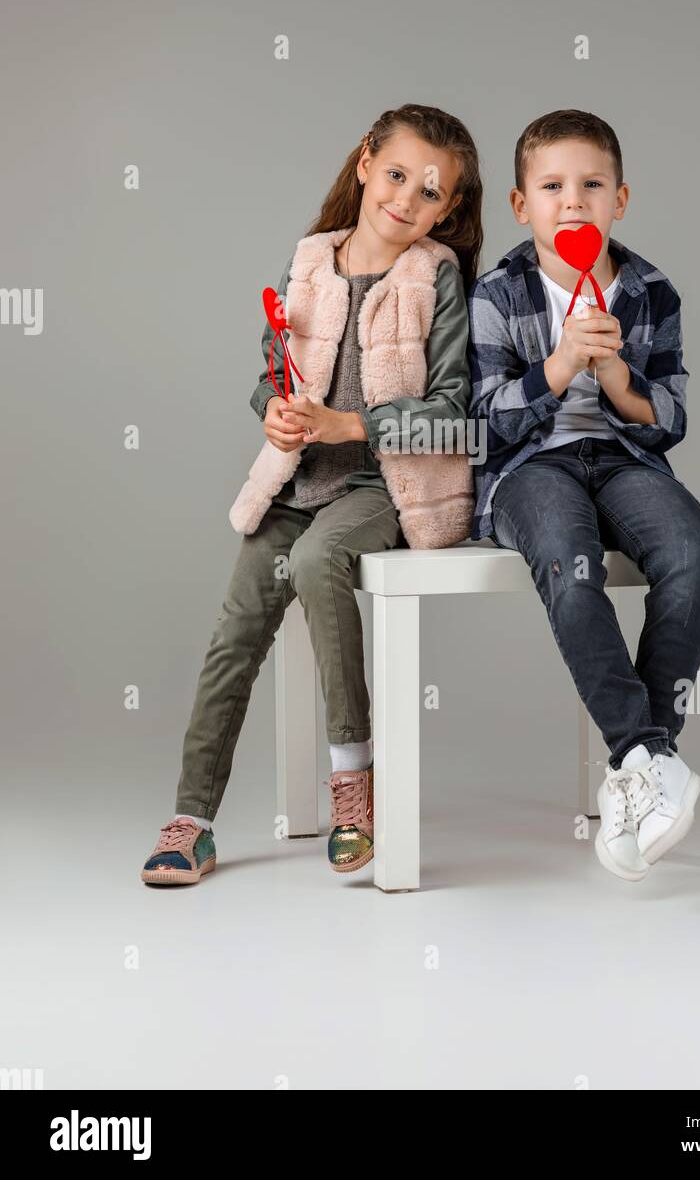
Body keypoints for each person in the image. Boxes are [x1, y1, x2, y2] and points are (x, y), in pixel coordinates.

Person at [142, 103, 481, 885]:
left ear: (449, 208)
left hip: (381, 486)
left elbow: (453, 413)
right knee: (235, 634)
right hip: (294, 485)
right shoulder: (308, 262)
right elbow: (272, 374)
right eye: (395, 175)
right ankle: (192, 818)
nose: (406, 200)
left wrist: (346, 424)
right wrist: (279, 412)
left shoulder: (436, 277)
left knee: (323, 558)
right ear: (365, 163)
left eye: (430, 193)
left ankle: (352, 781)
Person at [467, 109, 700, 881]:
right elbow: (481, 424)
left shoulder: (650, 291)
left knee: (690, 554)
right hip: (531, 469)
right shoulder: (495, 294)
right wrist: (556, 368)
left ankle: (638, 773)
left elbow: (671, 418)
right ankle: (645, 756)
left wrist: (616, 379)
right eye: (552, 186)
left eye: (591, 185)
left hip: (623, 460)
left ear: (621, 198)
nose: (572, 201)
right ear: (522, 205)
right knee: (569, 563)